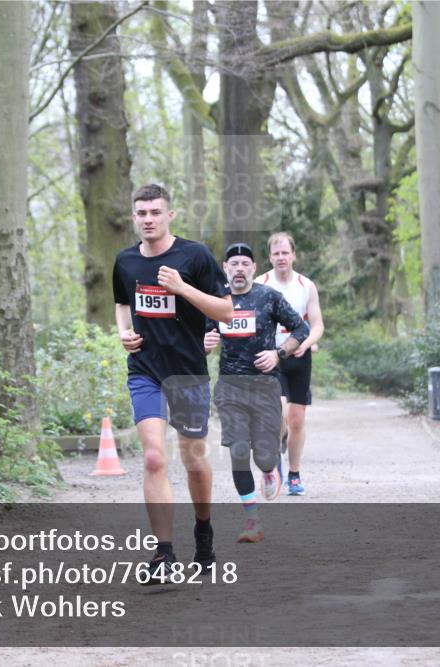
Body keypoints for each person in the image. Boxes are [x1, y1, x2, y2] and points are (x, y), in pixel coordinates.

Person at [112, 183, 233, 583]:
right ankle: (164, 553)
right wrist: (124, 332)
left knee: (193, 460)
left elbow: (227, 312)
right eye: (141, 213)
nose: (148, 219)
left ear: (170, 215)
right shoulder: (125, 261)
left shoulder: (194, 256)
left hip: (188, 372)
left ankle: (203, 530)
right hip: (145, 370)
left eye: (155, 212)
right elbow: (122, 303)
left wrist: (182, 288)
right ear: (134, 217)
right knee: (153, 457)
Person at [204, 243, 308, 543]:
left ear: (253, 268)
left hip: (265, 386)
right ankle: (252, 520)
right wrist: (204, 343)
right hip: (230, 387)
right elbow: (201, 337)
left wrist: (278, 354)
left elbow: (301, 329)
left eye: (244, 264)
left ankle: (270, 463)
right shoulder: (215, 300)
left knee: (264, 457)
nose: (239, 269)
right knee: (238, 451)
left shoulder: (268, 297)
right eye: (233, 264)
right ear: (225, 268)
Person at [257, 232, 324, 496]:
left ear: (294, 255)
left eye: (285, 253)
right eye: (276, 253)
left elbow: (317, 325)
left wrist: (306, 343)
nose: (281, 257)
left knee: (296, 419)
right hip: (270, 357)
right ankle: (275, 467)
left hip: (298, 357)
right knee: (278, 414)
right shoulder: (259, 284)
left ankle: (294, 474)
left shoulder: (306, 286)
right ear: (270, 257)